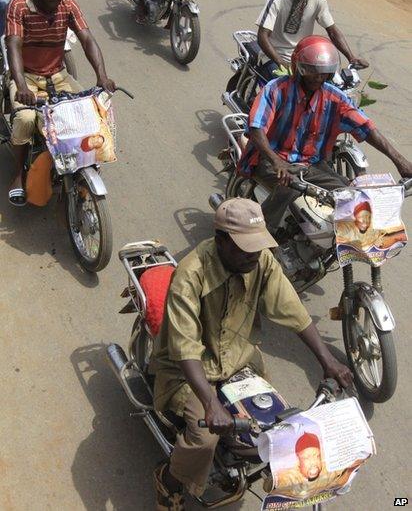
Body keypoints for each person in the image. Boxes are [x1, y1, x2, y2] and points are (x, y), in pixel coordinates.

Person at [151, 197, 353, 510]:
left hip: (240, 361)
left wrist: (328, 361)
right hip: (189, 373)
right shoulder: (191, 275)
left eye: (257, 247)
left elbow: (293, 310)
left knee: (275, 422)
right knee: (204, 440)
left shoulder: (260, 261)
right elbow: (185, 349)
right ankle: (170, 481)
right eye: (245, 248)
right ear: (220, 241)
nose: (253, 255)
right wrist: (210, 402)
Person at [238, 35, 412, 232]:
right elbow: (256, 128)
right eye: (311, 71)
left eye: (323, 72)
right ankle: (257, 233)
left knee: (350, 195)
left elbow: (366, 128)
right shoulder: (276, 89)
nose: (318, 77)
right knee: (290, 186)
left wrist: (400, 161)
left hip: (311, 165)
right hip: (270, 160)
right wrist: (276, 161)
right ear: (299, 68)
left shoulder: (334, 98)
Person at [6, 0, 115, 206]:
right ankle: (19, 174)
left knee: (91, 113)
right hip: (28, 77)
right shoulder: (19, 6)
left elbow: (87, 39)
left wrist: (102, 76)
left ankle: (85, 165)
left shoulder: (69, 5)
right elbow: (13, 45)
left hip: (58, 77)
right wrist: (21, 86)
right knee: (25, 119)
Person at [256, 0, 368, 79]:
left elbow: (333, 31)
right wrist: (280, 62)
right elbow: (262, 36)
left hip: (303, 59)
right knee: (286, 92)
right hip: (274, 57)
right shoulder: (278, 0)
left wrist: (351, 57)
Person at [272, 432, 363, 499]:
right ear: (298, 459)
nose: (313, 462)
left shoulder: (328, 468)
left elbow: (345, 472)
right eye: (306, 458)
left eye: (317, 456)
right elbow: (280, 479)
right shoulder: (290, 476)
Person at [336, 201, 406, 251]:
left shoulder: (373, 229)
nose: (366, 220)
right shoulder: (346, 227)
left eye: (369, 217)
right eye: (362, 216)